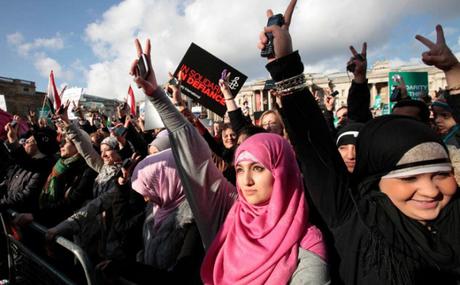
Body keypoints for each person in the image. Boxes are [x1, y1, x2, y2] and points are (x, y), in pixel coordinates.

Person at [259, 14, 460, 284]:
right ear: (378, 177)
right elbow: (315, 149)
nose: (430, 190)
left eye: (441, 174)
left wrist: (454, 73)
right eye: (409, 177)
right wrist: (284, 68)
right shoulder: (356, 219)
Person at [130, 21, 329, 285]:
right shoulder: (230, 210)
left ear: (283, 173)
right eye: (240, 169)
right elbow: (195, 157)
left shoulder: (308, 244)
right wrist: (157, 95)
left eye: (258, 168)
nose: (245, 181)